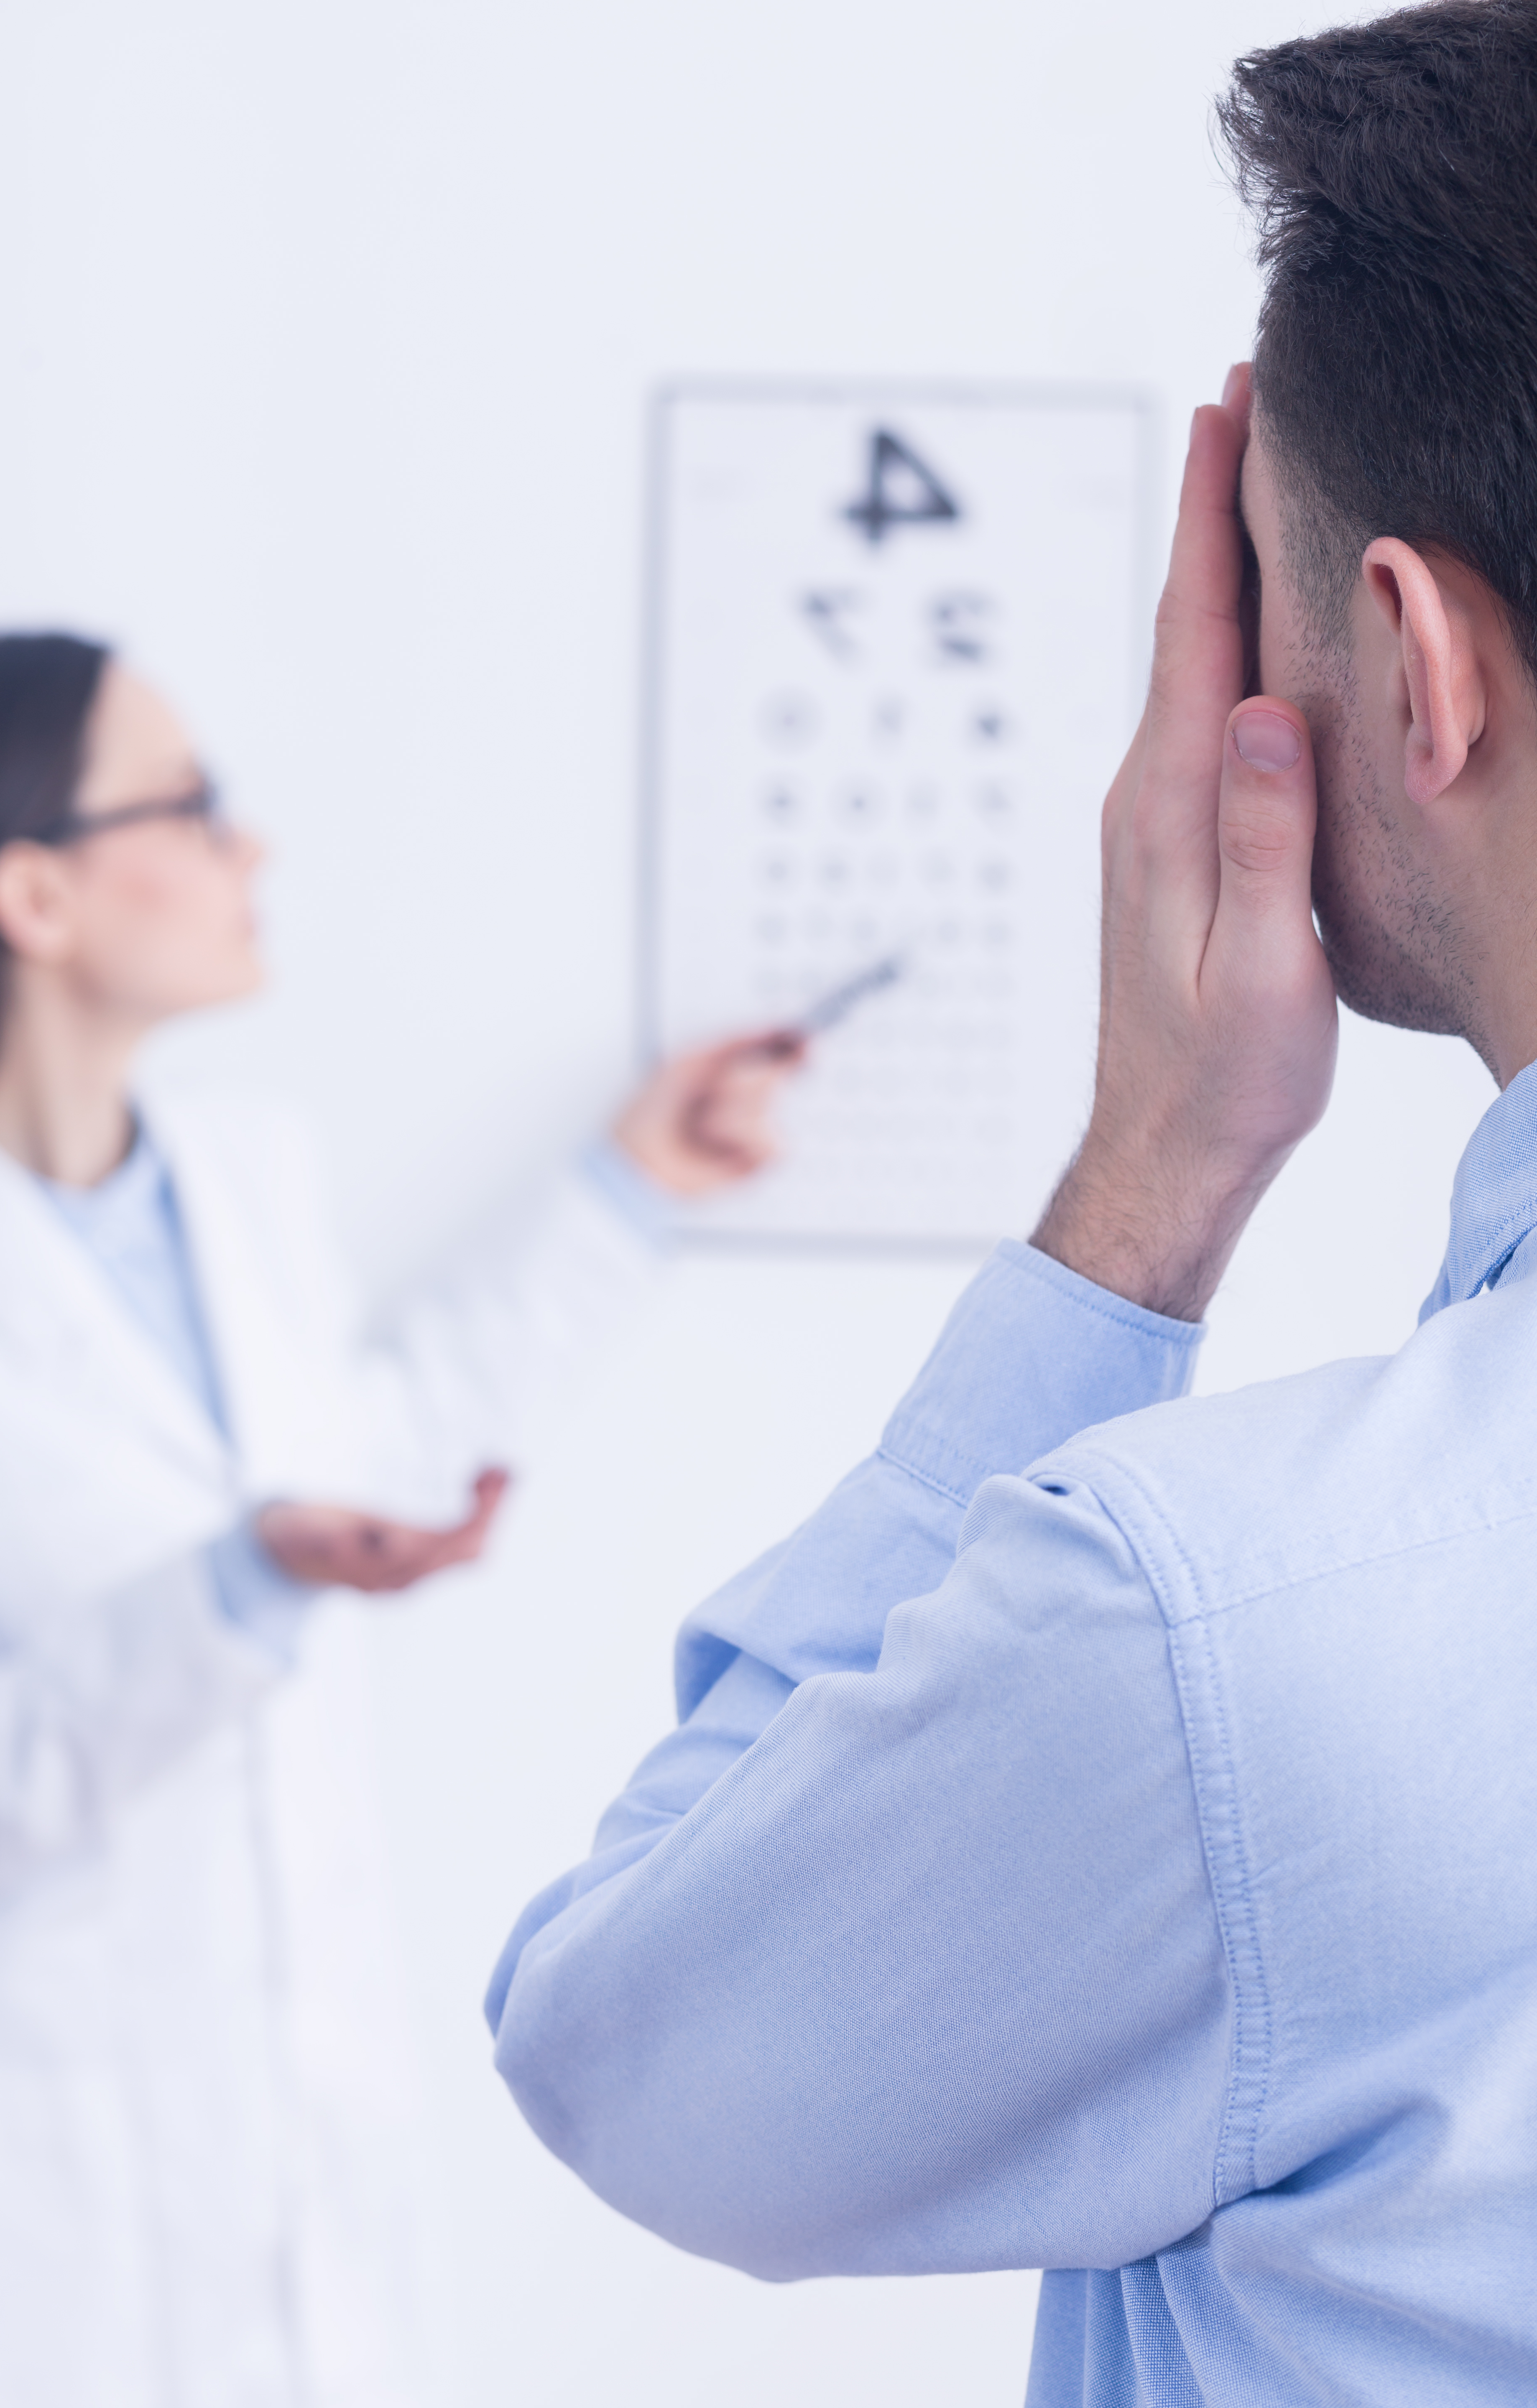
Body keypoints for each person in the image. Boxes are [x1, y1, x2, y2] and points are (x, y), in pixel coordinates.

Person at [488, 5, 1537, 2402]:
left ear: (1407, 659)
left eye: (1243, 594)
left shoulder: (1233, 1638)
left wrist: (1146, 1184)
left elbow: (625, 2039)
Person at [0, 630, 798, 2408]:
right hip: (31, 2223)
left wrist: (631, 1190)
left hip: (306, 2170)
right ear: (31, 890)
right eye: (191, 805)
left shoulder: (246, 1183)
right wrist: (236, 1591)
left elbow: (364, 1461)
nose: (251, 851)